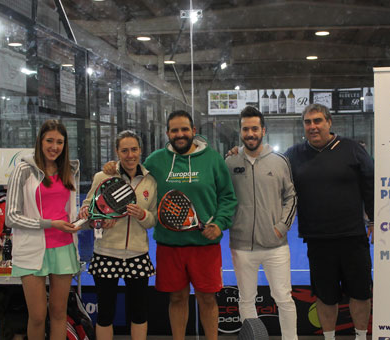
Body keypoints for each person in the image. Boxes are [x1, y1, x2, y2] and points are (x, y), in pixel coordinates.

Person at [104, 110, 237, 340]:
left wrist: (219, 223)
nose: (180, 134)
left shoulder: (213, 159)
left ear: (194, 131)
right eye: (174, 130)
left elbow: (227, 197)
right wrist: (113, 167)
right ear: (168, 133)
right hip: (169, 245)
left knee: (207, 298)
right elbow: (133, 172)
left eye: (184, 129)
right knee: (177, 298)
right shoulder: (156, 160)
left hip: (205, 244)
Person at [285, 104, 374, 340]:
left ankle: (361, 335)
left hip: (353, 237)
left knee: (361, 294)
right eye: (307, 122)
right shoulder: (293, 155)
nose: (312, 126)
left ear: (329, 122)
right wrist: (238, 153)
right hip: (317, 240)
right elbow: (271, 175)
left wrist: (374, 220)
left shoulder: (353, 150)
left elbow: (370, 186)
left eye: (317, 121)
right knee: (325, 297)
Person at [225, 106, 298, 340]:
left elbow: (291, 197)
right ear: (240, 132)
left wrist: (281, 227)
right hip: (241, 246)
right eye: (246, 129)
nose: (250, 133)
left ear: (263, 130)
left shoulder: (280, 161)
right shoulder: (230, 162)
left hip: (276, 245)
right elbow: (223, 197)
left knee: (283, 298)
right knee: (246, 299)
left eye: (254, 128)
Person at [6, 119, 81, 340]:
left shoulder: (69, 169)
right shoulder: (23, 170)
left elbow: (69, 212)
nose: (54, 147)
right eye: (50, 140)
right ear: (40, 141)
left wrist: (81, 219)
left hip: (64, 248)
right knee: (38, 316)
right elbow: (11, 217)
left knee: (59, 314)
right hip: (31, 250)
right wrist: (50, 224)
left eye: (59, 142)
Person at [79, 130, 157, 340]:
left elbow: (153, 219)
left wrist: (143, 214)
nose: (130, 155)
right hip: (105, 253)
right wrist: (99, 220)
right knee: (105, 314)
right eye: (124, 150)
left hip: (137, 254)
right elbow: (86, 213)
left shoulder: (150, 181)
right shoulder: (103, 177)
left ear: (140, 151)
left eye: (134, 149)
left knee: (139, 313)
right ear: (117, 152)